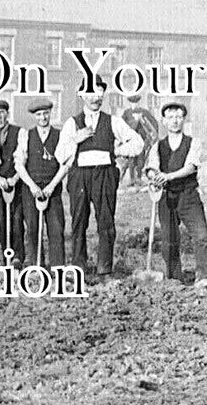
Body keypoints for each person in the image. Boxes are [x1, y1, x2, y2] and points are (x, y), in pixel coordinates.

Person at [59, 77, 144, 281]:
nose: (95, 97)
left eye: (99, 92)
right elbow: (60, 155)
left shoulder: (113, 121)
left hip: (104, 174)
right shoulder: (72, 123)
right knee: (79, 221)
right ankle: (78, 266)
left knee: (105, 221)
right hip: (79, 175)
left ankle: (104, 268)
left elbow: (138, 143)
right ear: (82, 95)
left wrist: (116, 150)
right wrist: (76, 140)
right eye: (90, 93)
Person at [144, 102, 207, 287]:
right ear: (164, 121)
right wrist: (155, 177)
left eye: (178, 117)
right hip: (166, 197)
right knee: (169, 240)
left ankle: (204, 277)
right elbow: (151, 167)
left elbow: (191, 166)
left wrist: (167, 176)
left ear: (184, 119)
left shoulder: (193, 142)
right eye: (170, 117)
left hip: (188, 195)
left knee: (201, 236)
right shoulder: (157, 146)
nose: (175, 121)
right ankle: (174, 278)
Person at [14, 98, 72, 268]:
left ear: (50, 114)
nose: (43, 117)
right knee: (32, 228)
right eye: (39, 114)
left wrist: (51, 186)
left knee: (56, 228)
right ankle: (35, 264)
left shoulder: (59, 135)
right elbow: (19, 164)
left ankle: (57, 267)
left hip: (52, 189)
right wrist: (32, 186)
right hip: (31, 189)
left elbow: (65, 164)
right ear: (34, 116)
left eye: (46, 113)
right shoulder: (26, 135)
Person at [0, 99, 24, 265]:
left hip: (16, 181)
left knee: (16, 219)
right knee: (2, 218)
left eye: (2, 112)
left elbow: (23, 157)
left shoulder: (19, 131)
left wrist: (14, 178)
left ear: (7, 113)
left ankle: (18, 256)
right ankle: (5, 252)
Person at [119, 94, 158, 189]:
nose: (134, 104)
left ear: (138, 102)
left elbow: (153, 122)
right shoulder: (126, 113)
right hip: (131, 141)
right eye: (132, 102)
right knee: (131, 160)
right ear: (130, 103)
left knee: (141, 160)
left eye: (136, 102)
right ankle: (132, 179)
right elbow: (121, 126)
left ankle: (139, 178)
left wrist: (143, 121)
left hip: (142, 140)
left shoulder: (144, 112)